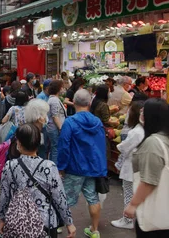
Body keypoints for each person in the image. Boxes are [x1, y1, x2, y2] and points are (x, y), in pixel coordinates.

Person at [0, 124, 76, 238]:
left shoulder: (9, 166)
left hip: (17, 221)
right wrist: (69, 222)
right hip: (45, 222)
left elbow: (4, 196)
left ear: (19, 143)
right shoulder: (49, 167)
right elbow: (59, 197)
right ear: (38, 142)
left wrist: (2, 218)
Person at [123, 98, 169, 238]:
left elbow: (149, 181)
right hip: (165, 209)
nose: (141, 114)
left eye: (144, 112)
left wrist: (133, 204)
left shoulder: (152, 143)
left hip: (152, 208)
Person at [58, 89, 106, 238]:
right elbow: (101, 145)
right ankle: (94, 230)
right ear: (90, 103)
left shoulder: (70, 122)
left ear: (74, 102)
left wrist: (61, 167)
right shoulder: (97, 122)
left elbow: (64, 146)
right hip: (93, 167)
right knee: (93, 198)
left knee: (65, 198)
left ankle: (61, 225)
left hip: (75, 167)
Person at [111, 101, 145, 229]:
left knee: (129, 193)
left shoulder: (136, 132)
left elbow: (124, 147)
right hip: (137, 166)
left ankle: (128, 219)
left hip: (131, 166)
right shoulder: (141, 130)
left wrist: (120, 146)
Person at [46, 80, 66, 163]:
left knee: (54, 148)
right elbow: (55, 116)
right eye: (62, 87)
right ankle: (54, 168)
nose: (63, 89)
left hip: (53, 128)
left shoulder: (53, 99)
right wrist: (61, 128)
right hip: (55, 128)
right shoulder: (54, 100)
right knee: (56, 149)